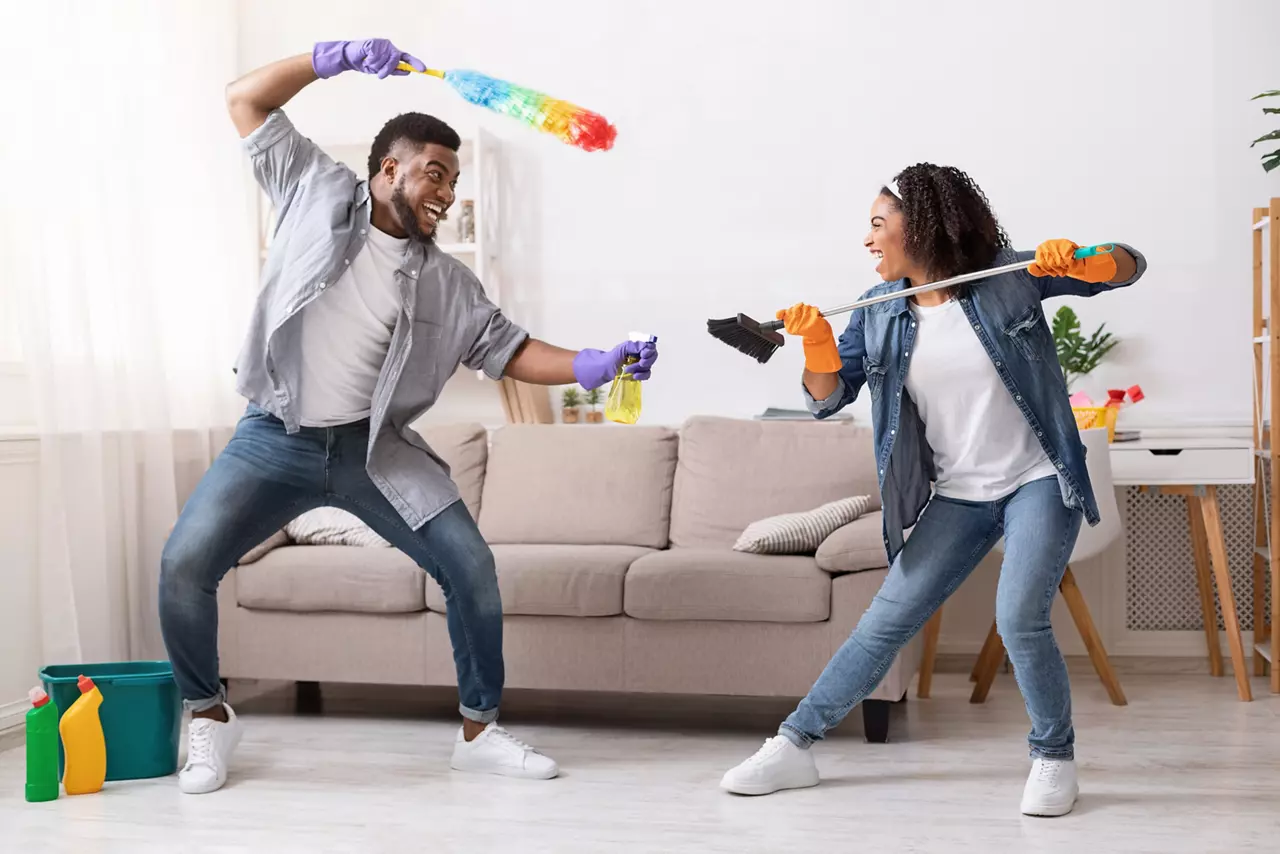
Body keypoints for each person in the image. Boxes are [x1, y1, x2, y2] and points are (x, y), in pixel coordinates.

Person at [160, 38, 658, 795]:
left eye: (453, 181)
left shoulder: (448, 283)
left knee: (471, 568)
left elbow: (510, 349)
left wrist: (598, 362)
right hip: (275, 435)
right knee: (183, 565)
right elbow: (245, 98)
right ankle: (209, 715)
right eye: (434, 173)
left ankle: (480, 732)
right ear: (387, 169)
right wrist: (331, 60)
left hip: (374, 452)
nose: (445, 193)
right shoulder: (313, 189)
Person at [718, 163, 1145, 816]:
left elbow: (1130, 265)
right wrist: (819, 346)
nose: (867, 239)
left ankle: (1054, 757)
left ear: (921, 225)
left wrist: (1089, 259)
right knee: (883, 623)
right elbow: (826, 401)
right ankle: (793, 747)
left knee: (1019, 617)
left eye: (878, 224)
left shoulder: (1007, 275)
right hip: (959, 494)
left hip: (1037, 478)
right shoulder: (878, 311)